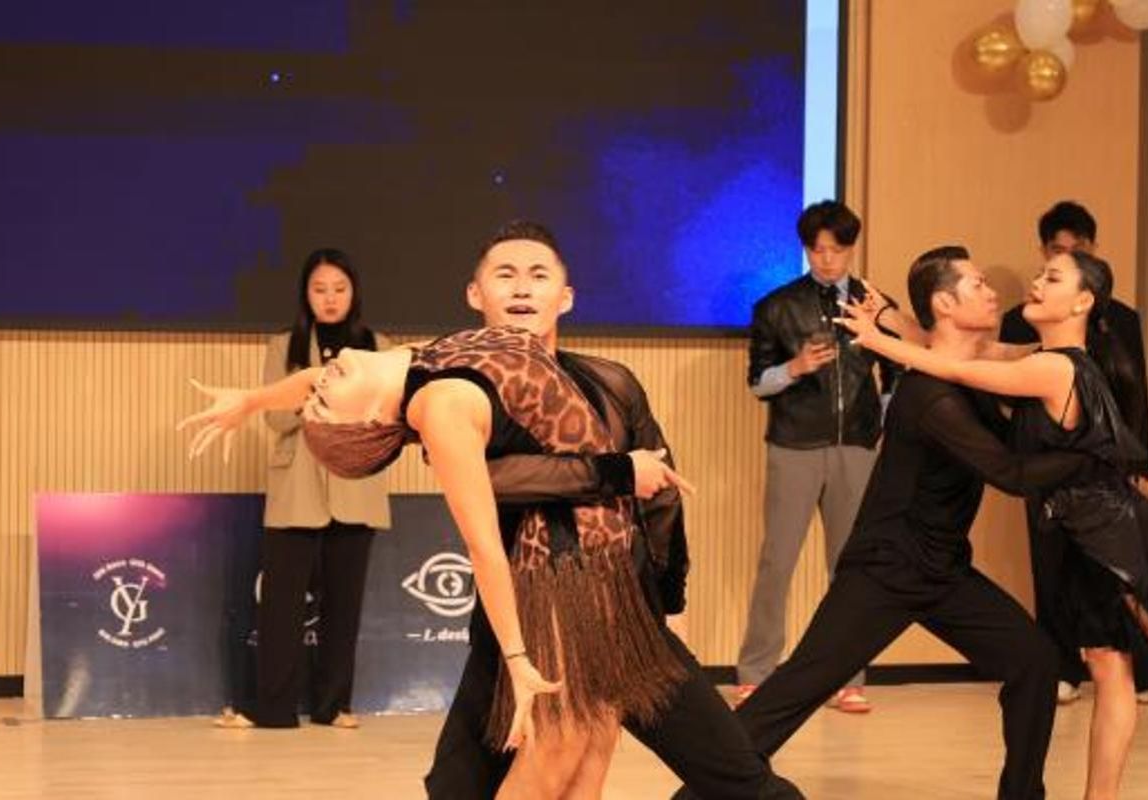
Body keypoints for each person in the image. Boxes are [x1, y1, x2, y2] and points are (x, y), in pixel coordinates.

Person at [180, 322, 693, 797]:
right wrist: (518, 662)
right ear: (368, 422)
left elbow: (312, 377)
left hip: (608, 548)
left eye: (313, 399)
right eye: (322, 403)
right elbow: (482, 546)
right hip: (567, 562)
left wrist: (250, 401)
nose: (318, 385)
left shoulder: (411, 362)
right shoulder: (441, 409)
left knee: (594, 743)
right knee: (559, 749)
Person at [424, 220, 804, 800]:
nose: (522, 287)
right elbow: (488, 482)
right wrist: (616, 472)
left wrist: (668, 600)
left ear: (566, 297)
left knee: (741, 780)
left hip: (627, 619)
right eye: (505, 275)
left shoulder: (611, 382)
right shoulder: (458, 389)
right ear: (476, 294)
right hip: (519, 624)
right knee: (460, 788)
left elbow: (663, 493)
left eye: (538, 275)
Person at [731, 246, 1099, 800]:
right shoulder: (931, 396)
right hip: (885, 570)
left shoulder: (969, 375)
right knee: (795, 692)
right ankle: (700, 788)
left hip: (943, 570)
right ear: (945, 304)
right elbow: (1011, 473)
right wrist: (1095, 455)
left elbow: (1014, 359)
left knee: (1036, 663)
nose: (993, 293)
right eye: (978, 285)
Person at [840, 249, 1148, 800]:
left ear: (1082, 302)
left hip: (1117, 537)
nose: (1036, 283)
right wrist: (893, 320)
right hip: (1088, 538)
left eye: (1053, 278)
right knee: (1110, 668)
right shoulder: (1041, 357)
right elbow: (967, 351)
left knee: (1115, 666)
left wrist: (876, 341)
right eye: (1040, 273)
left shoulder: (1054, 369)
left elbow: (957, 368)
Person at [998, 200, 1148, 707]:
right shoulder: (1021, 319)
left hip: (1106, 466)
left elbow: (1134, 394)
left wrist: (1138, 463)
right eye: (1054, 253)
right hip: (1046, 463)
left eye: (1075, 252)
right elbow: (999, 380)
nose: (1050, 273)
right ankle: (1063, 667)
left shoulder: (1121, 318)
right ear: (1043, 250)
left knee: (1127, 578)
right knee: (1052, 569)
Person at [216, 248, 392, 730]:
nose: (330, 298)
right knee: (280, 605)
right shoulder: (283, 346)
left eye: (339, 289)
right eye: (320, 289)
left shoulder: (378, 346)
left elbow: (386, 416)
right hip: (296, 487)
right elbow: (275, 418)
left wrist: (325, 400)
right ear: (305, 295)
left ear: (353, 293)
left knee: (344, 605)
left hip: (356, 487)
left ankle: (334, 706)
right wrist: (319, 392)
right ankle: (271, 707)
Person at [740, 200, 895, 711]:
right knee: (777, 561)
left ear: (852, 249)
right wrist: (797, 366)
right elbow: (758, 383)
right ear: (806, 249)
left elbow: (896, 375)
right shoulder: (776, 307)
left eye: (837, 249)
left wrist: (882, 426)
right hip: (794, 445)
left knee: (851, 569)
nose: (827, 259)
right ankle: (756, 672)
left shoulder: (875, 304)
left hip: (857, 447)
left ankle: (849, 678)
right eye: (817, 249)